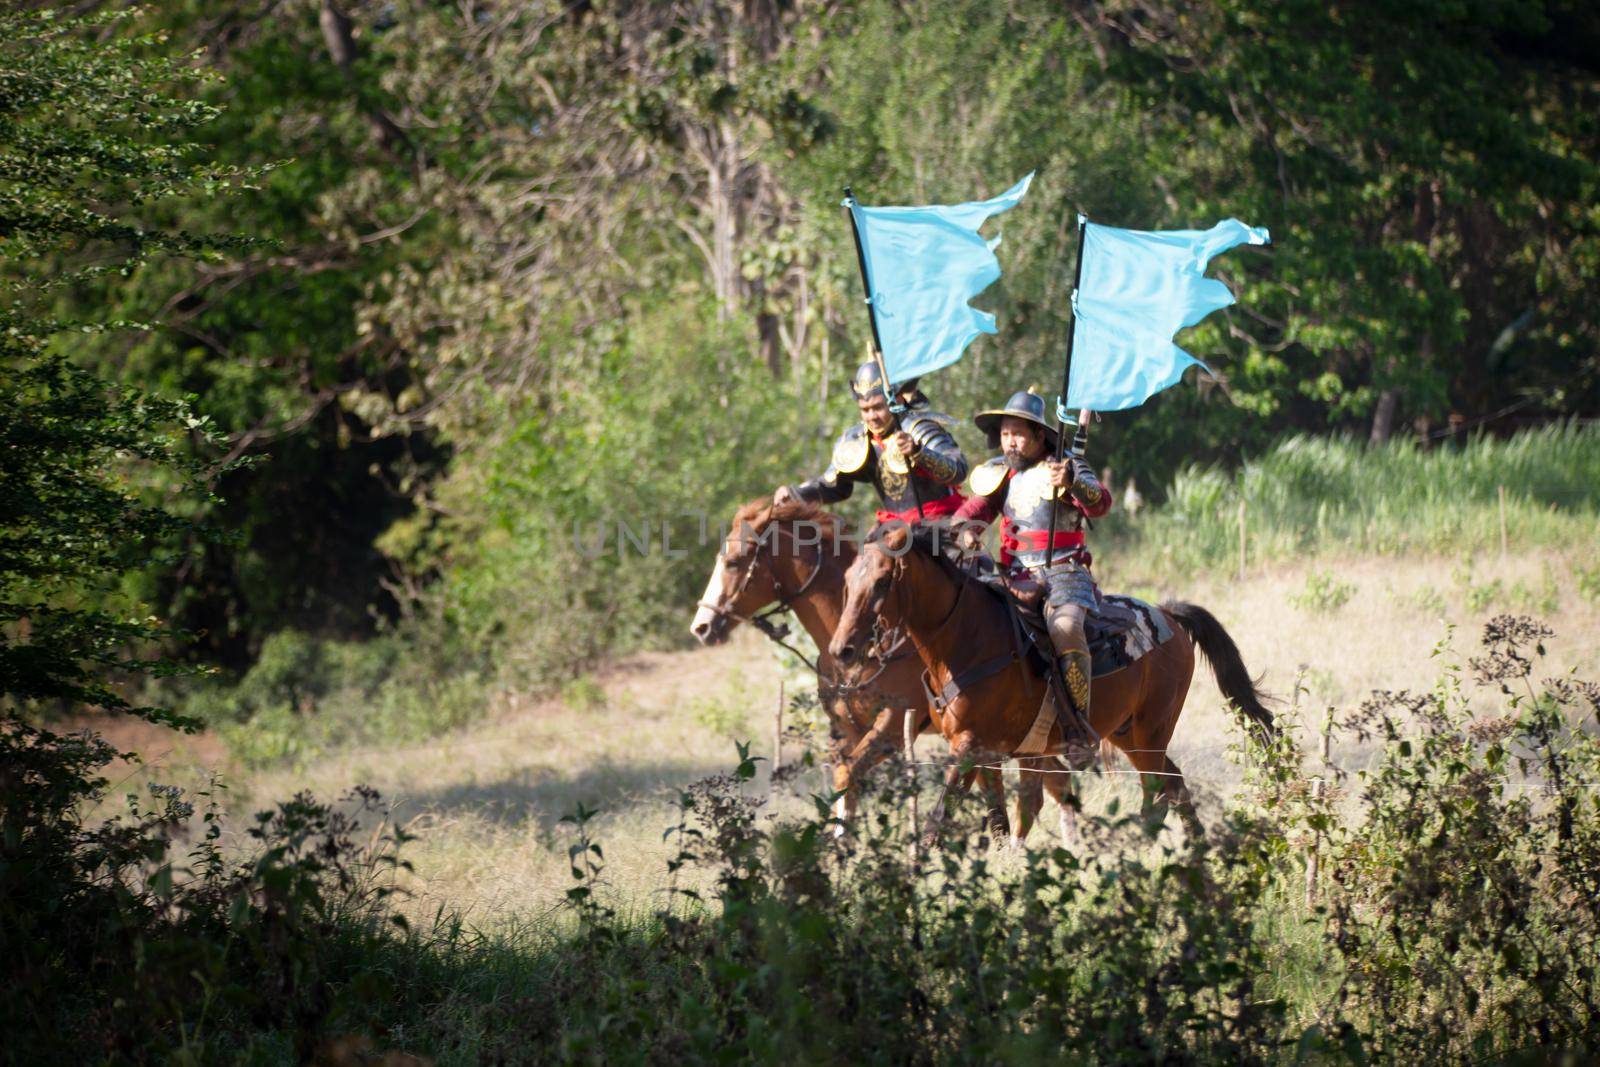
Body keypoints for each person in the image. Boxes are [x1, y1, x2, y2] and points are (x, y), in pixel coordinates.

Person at [952, 388, 1112, 728]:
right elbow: (975, 510)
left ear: (1039, 435)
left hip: (1063, 574)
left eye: (1018, 434)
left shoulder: (1067, 467)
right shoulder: (1001, 472)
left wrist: (1071, 483)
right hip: (1011, 576)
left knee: (1066, 628)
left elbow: (1099, 505)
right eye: (1005, 434)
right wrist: (965, 529)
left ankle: (1077, 722)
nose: (1009, 442)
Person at [775, 361, 967, 525]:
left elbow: (958, 470)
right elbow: (834, 486)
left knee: (969, 565)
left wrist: (919, 452)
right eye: (865, 409)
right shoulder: (857, 439)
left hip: (940, 521)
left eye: (877, 407)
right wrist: (795, 494)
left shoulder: (920, 428)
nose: (871, 417)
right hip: (894, 528)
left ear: (897, 399)